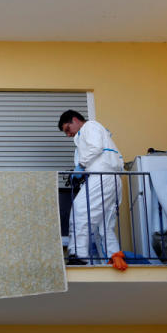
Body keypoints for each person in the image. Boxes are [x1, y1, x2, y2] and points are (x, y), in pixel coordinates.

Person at [58, 110, 127, 270]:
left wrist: (81, 166)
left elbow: (96, 147)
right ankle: (114, 257)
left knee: (80, 210)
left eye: (68, 129)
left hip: (102, 177)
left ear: (75, 120)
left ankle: (79, 256)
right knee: (104, 225)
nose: (68, 134)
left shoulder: (90, 126)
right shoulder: (94, 132)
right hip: (111, 179)